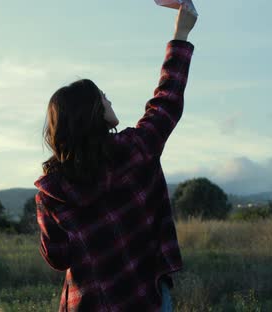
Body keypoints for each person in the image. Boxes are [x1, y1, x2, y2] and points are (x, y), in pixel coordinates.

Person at [33, 5, 197, 311]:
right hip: (143, 297)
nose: (109, 99)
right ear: (94, 114)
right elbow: (167, 100)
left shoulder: (50, 192)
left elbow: (58, 258)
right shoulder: (136, 150)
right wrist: (181, 33)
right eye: (102, 97)